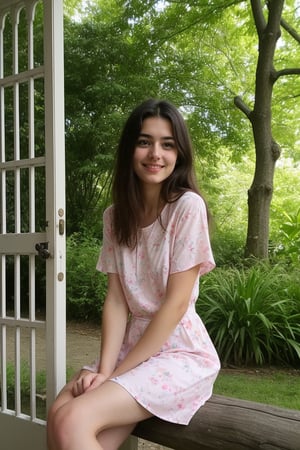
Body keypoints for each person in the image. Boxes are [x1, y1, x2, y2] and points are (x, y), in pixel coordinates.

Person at [47, 99, 220, 450]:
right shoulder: (115, 216)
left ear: (179, 154)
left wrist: (116, 374)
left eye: (167, 144)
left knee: (72, 419)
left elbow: (174, 306)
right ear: (130, 148)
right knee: (60, 413)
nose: (155, 153)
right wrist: (105, 369)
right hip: (132, 347)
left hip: (179, 352)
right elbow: (115, 300)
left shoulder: (186, 208)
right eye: (145, 142)